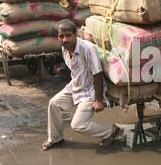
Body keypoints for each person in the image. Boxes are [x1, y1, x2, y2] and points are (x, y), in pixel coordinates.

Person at [41, 20, 121, 151]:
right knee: (53, 104)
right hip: (76, 86)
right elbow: (74, 70)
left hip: (91, 90)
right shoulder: (64, 49)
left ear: (75, 34)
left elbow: (98, 74)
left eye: (68, 35)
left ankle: (110, 130)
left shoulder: (87, 49)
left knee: (78, 124)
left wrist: (98, 100)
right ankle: (55, 138)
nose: (65, 39)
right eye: (61, 36)